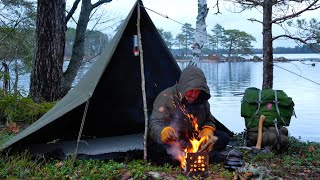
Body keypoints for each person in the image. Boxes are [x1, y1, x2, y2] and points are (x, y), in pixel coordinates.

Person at [148, 64, 231, 165]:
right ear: (183, 87)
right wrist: (163, 132)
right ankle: (202, 155)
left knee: (223, 137)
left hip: (193, 137)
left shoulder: (202, 100)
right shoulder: (166, 97)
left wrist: (207, 130)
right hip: (174, 139)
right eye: (191, 91)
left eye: (197, 91)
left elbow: (209, 120)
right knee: (160, 148)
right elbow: (154, 123)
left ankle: (192, 154)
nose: (194, 95)